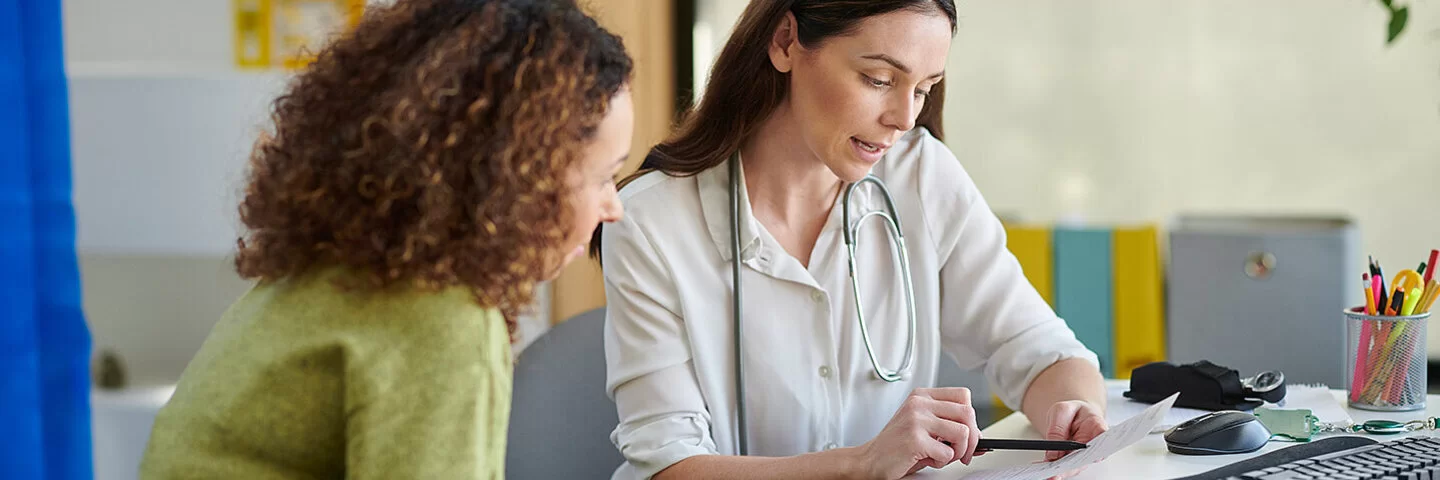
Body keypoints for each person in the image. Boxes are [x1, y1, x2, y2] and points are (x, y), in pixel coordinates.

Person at [595, 1, 1107, 479]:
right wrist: (861, 463)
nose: (905, 118)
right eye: (879, 78)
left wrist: (1076, 410)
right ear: (785, 41)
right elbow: (667, 465)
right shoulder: (650, 221)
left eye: (924, 88)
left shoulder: (921, 176)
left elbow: (1040, 350)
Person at [139, 0, 632, 477]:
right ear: (519, 177)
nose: (615, 207)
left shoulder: (326, 275)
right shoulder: (441, 317)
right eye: (604, 177)